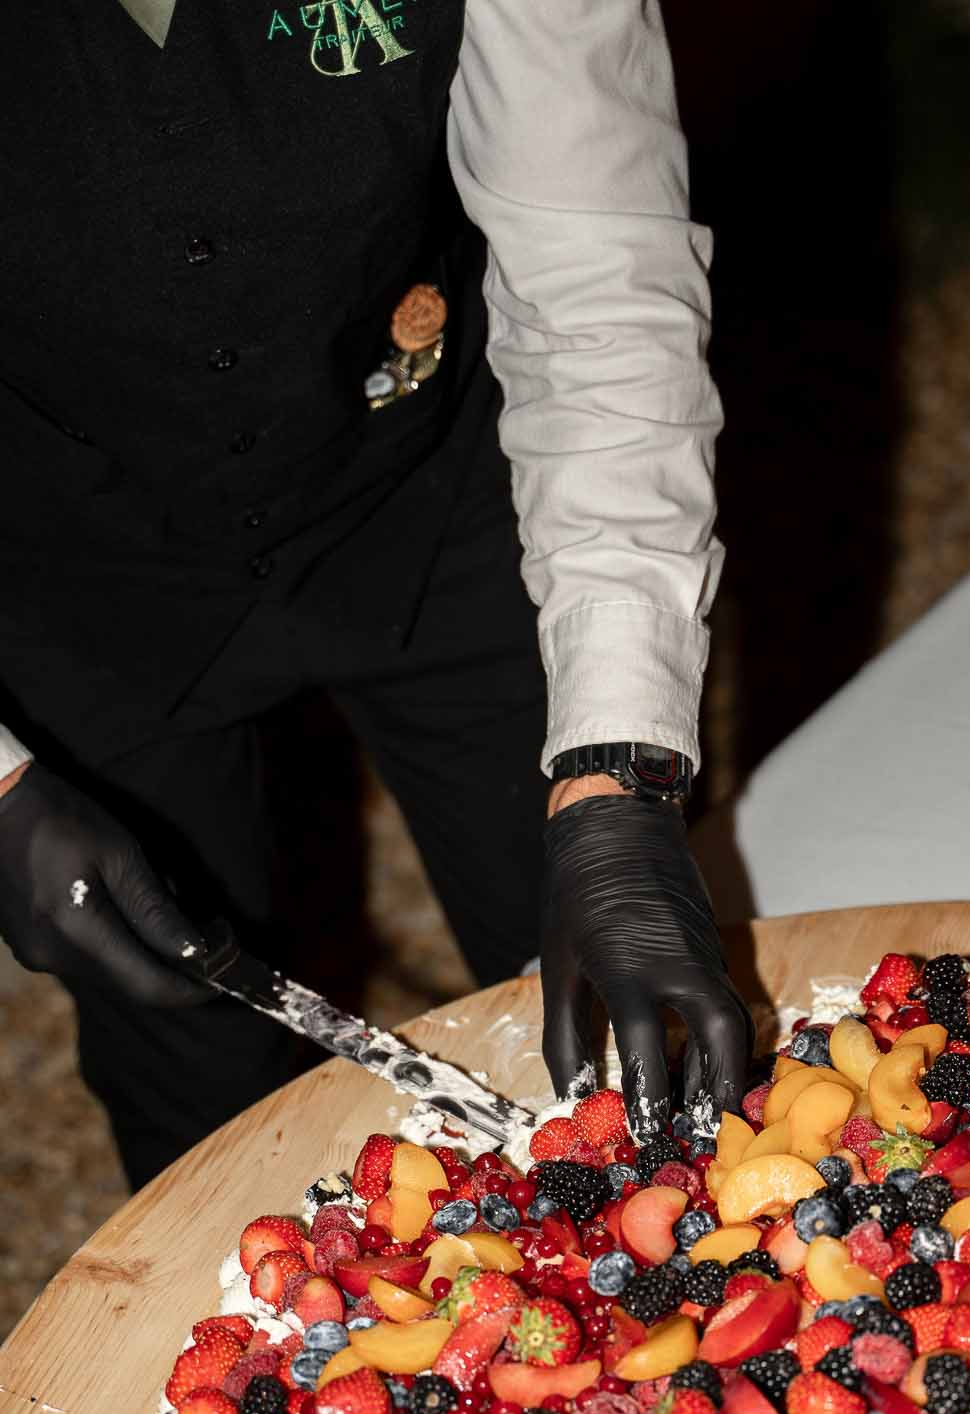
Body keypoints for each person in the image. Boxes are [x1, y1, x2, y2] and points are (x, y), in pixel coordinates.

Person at [0, 0, 751, 1187]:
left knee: (623, 1012)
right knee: (190, 1080)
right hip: (73, 564)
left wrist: (621, 763)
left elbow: (599, 289)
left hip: (436, 487)